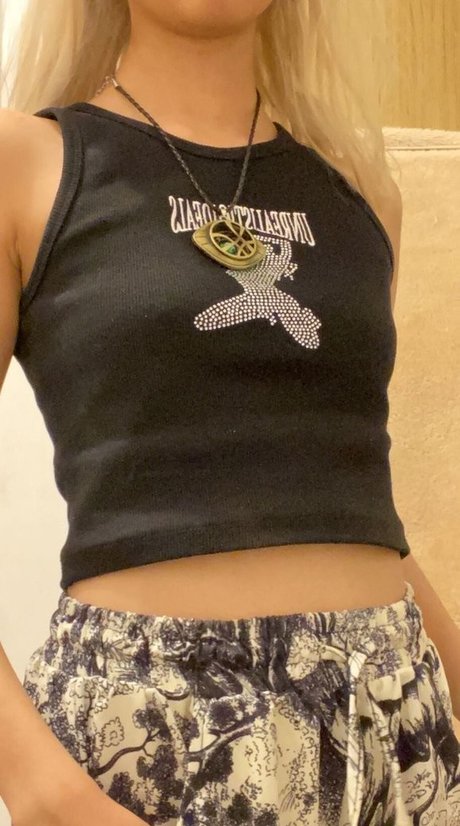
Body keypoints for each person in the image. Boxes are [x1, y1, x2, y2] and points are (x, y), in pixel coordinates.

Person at [0, 0, 459, 824]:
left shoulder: (360, 190)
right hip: (154, 732)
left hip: (395, 726)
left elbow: (346, 503)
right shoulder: (26, 163)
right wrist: (44, 792)